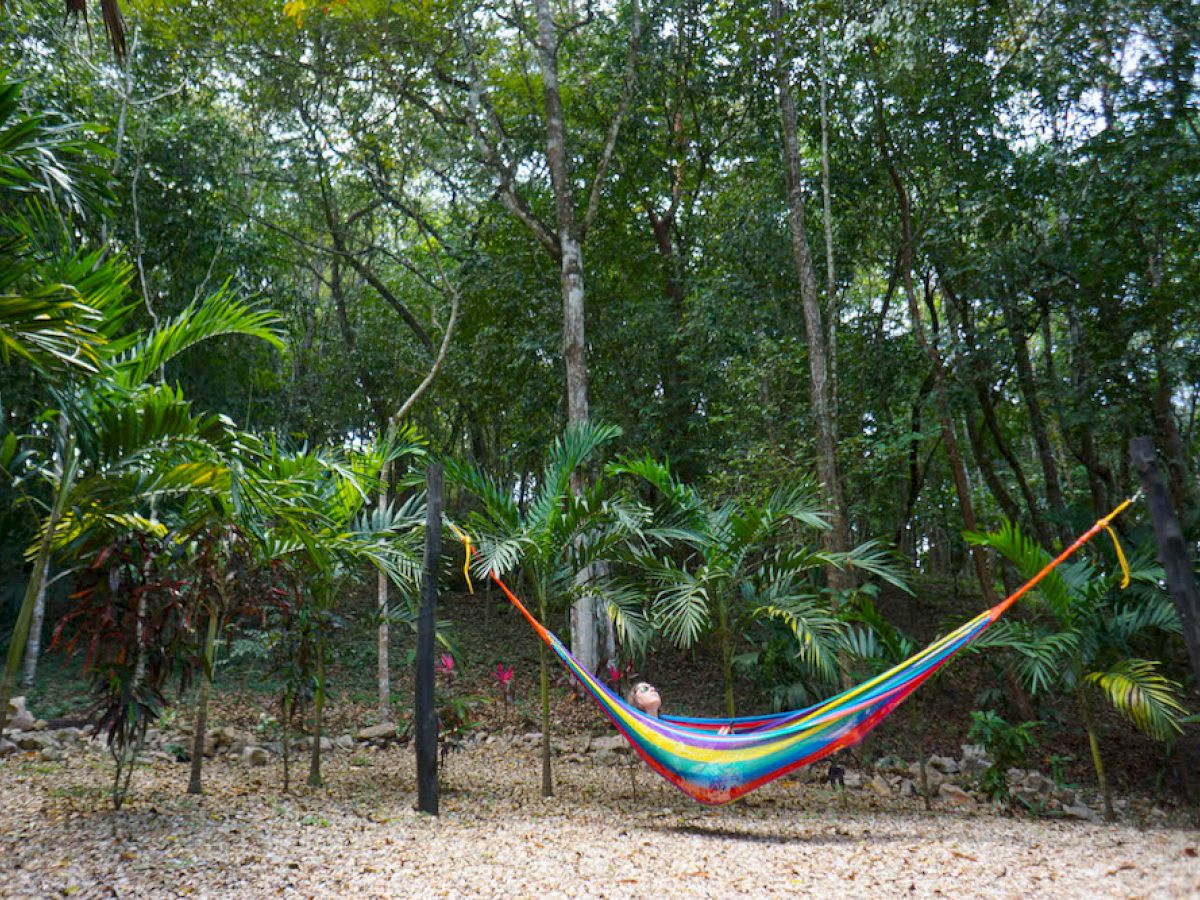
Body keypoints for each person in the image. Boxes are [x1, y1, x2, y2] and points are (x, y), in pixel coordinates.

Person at [627, 680, 731, 734]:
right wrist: (717, 744)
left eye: (652, 687)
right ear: (637, 702)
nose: (652, 689)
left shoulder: (670, 728)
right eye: (645, 689)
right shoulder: (640, 734)